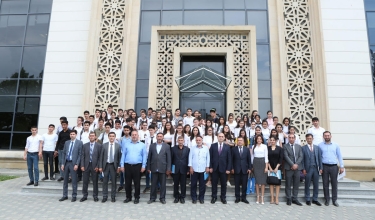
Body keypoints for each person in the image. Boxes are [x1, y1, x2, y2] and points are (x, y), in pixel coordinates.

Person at [120, 130, 147, 204]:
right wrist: (122, 165)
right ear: (131, 136)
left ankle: (136, 197)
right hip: (127, 166)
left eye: (135, 135)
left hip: (138, 166)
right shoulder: (126, 144)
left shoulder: (142, 145)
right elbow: (123, 155)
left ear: (138, 136)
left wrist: (143, 166)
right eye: (133, 135)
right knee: (127, 183)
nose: (134, 136)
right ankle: (128, 197)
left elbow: (144, 156)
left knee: (137, 183)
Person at [319, 131, 344, 207]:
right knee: (325, 184)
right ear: (323, 137)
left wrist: (342, 166)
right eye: (325, 136)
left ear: (331, 136)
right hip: (324, 166)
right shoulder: (320, 145)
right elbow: (319, 158)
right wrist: (320, 167)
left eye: (328, 135)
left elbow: (339, 156)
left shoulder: (336, 145)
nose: (327, 137)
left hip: (334, 166)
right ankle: (327, 199)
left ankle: (334, 200)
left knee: (334, 184)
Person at [147, 133, 172, 204]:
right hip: (154, 167)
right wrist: (148, 167)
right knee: (153, 184)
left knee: (163, 185)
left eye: (161, 136)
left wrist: (168, 169)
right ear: (156, 137)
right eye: (158, 136)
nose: (159, 138)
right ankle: (152, 198)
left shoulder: (167, 146)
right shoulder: (152, 146)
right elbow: (149, 157)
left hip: (163, 168)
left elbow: (169, 158)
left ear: (163, 137)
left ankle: (162, 198)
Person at [59, 130, 83, 202]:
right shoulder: (67, 142)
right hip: (66, 163)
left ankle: (74, 196)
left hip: (73, 163)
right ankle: (64, 195)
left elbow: (80, 154)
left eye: (73, 134)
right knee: (65, 180)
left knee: (74, 181)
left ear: (76, 135)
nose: (72, 135)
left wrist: (77, 164)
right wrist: (62, 163)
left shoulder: (79, 143)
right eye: (71, 134)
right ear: (70, 135)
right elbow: (63, 153)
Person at [99, 132, 121, 203]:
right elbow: (101, 157)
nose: (111, 137)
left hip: (113, 166)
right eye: (110, 136)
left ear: (115, 137)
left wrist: (119, 167)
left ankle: (113, 196)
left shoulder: (118, 146)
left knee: (114, 182)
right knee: (105, 181)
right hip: (106, 165)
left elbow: (119, 157)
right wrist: (100, 166)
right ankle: (105, 196)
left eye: (113, 136)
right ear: (108, 137)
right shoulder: (104, 145)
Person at [209, 133, 232, 204]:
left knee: (223, 184)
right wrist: (210, 167)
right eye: (219, 136)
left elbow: (229, 159)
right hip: (215, 168)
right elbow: (210, 157)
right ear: (217, 137)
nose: (221, 138)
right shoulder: (213, 146)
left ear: (224, 137)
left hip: (224, 169)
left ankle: (223, 198)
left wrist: (228, 169)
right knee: (214, 184)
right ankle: (214, 197)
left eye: (222, 136)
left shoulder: (227, 147)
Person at [80, 132, 102, 202]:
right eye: (90, 136)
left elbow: (100, 157)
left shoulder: (99, 146)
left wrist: (98, 166)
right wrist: (82, 165)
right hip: (86, 165)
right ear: (89, 137)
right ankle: (84, 195)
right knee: (85, 181)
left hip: (95, 166)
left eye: (93, 136)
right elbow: (82, 156)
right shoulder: (85, 145)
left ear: (95, 137)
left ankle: (95, 196)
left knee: (95, 182)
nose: (92, 137)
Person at [302, 133, 323, 206]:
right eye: (308, 139)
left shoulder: (317, 148)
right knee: (307, 184)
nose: (309, 140)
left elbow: (320, 158)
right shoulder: (303, 148)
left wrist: (321, 167)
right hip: (308, 169)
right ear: (306, 139)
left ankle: (315, 199)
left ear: (313, 139)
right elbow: (302, 160)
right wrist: (303, 169)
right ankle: (307, 199)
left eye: (310, 138)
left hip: (315, 168)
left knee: (316, 184)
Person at [188, 135, 210, 204]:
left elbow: (208, 158)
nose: (198, 141)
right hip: (194, 169)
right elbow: (190, 158)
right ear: (195, 141)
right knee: (193, 184)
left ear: (202, 140)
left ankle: (201, 198)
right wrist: (190, 167)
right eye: (197, 140)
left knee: (202, 185)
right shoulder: (192, 148)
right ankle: (194, 198)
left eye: (199, 140)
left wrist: (207, 167)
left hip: (203, 170)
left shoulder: (206, 148)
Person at [284, 133, 303, 206]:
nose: (291, 139)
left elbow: (301, 156)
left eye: (293, 138)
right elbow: (286, 156)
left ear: (295, 138)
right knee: (288, 184)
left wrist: (296, 165)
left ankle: (295, 198)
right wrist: (292, 165)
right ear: (288, 138)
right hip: (289, 168)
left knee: (296, 184)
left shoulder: (299, 146)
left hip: (297, 168)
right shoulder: (285, 146)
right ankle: (288, 198)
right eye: (290, 137)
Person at [231, 136, 252, 204]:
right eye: (238, 140)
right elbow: (231, 160)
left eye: (241, 140)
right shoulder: (233, 149)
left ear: (243, 142)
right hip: (236, 169)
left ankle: (243, 198)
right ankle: (237, 198)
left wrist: (249, 168)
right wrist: (232, 168)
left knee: (244, 184)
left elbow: (249, 160)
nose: (240, 141)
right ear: (237, 141)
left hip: (244, 169)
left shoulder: (246, 149)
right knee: (236, 184)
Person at [171, 136, 190, 204]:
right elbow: (171, 159)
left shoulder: (187, 149)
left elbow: (188, 160)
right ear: (177, 141)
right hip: (175, 169)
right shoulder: (173, 149)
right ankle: (176, 197)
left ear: (184, 141)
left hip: (184, 169)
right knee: (175, 184)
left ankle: (182, 197)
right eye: (179, 140)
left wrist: (188, 169)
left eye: (182, 140)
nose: (180, 141)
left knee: (183, 184)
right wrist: (171, 169)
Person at [252, 135, 268, 205]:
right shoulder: (253, 146)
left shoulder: (264, 146)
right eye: (257, 138)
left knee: (263, 181)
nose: (258, 140)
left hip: (262, 162)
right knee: (257, 182)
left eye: (260, 139)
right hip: (255, 162)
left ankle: (262, 197)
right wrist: (252, 166)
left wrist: (266, 167)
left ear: (262, 140)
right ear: (256, 140)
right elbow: (252, 157)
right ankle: (258, 197)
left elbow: (266, 157)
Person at [267, 136, 283, 205]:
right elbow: (266, 158)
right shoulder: (267, 148)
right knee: (271, 183)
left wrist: (277, 167)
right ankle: (272, 197)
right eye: (271, 140)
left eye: (274, 140)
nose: (272, 141)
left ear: (276, 141)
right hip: (270, 167)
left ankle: (276, 198)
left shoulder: (280, 149)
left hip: (278, 168)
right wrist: (269, 167)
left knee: (277, 183)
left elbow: (281, 159)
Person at [143, 125, 157, 193]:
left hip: (155, 156)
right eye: (150, 130)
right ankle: (147, 186)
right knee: (147, 171)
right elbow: (145, 148)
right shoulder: (147, 138)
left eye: (152, 130)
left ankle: (158, 187)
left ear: (155, 130)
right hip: (148, 156)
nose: (151, 131)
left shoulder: (157, 137)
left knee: (156, 171)